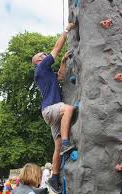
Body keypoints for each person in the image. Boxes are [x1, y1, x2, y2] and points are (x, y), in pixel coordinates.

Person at [32, 22, 75, 194]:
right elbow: (57, 47)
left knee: (55, 147)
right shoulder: (41, 67)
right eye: (43, 54)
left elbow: (60, 76)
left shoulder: (46, 72)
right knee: (69, 109)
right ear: (40, 60)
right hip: (51, 108)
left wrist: (63, 62)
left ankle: (54, 177)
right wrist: (67, 30)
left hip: (51, 112)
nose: (46, 54)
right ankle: (66, 143)